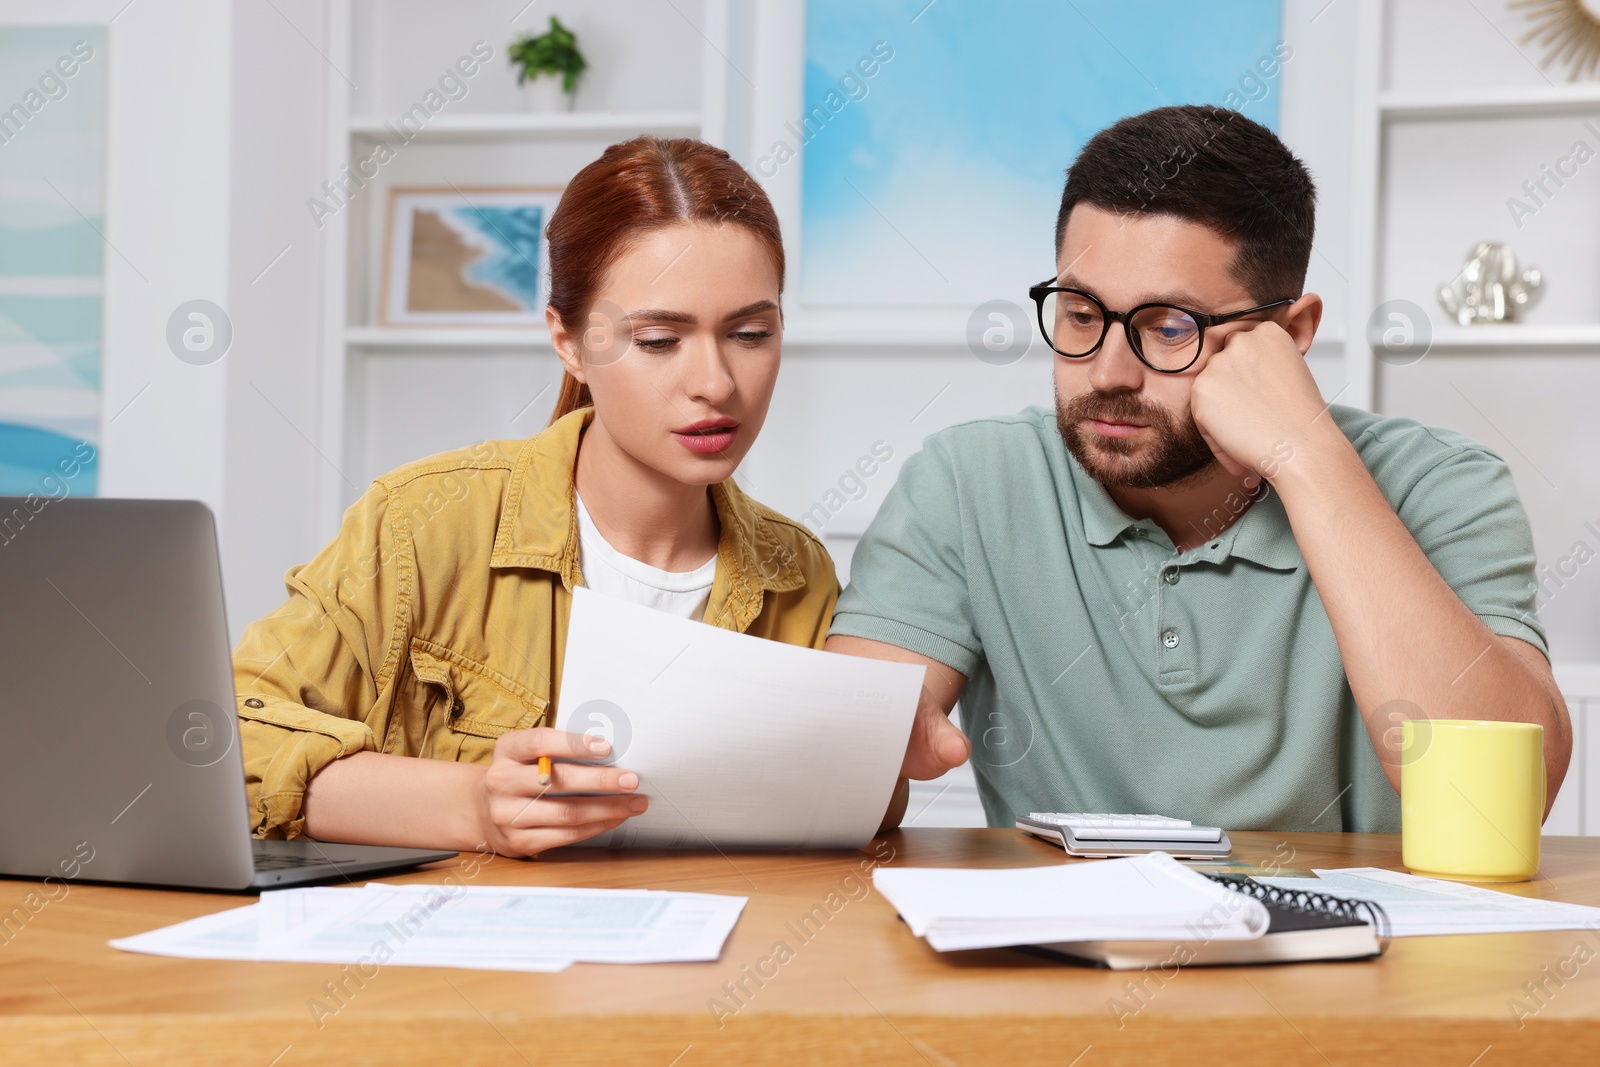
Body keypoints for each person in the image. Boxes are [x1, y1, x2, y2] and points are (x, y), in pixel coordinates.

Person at [832, 105, 1571, 833]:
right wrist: (869, 748)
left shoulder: (1442, 485)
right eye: (1082, 314)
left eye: (1169, 326)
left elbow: (1502, 802)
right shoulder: (967, 482)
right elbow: (845, 764)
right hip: (1057, 951)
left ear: (1289, 335)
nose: (1109, 372)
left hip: (1362, 950)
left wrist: (1307, 455)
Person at [232, 137, 836, 858]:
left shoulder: (799, 575)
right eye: (657, 340)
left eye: (749, 332)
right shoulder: (422, 524)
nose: (716, 381)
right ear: (569, 340)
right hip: (458, 965)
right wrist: (471, 806)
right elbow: (224, 735)